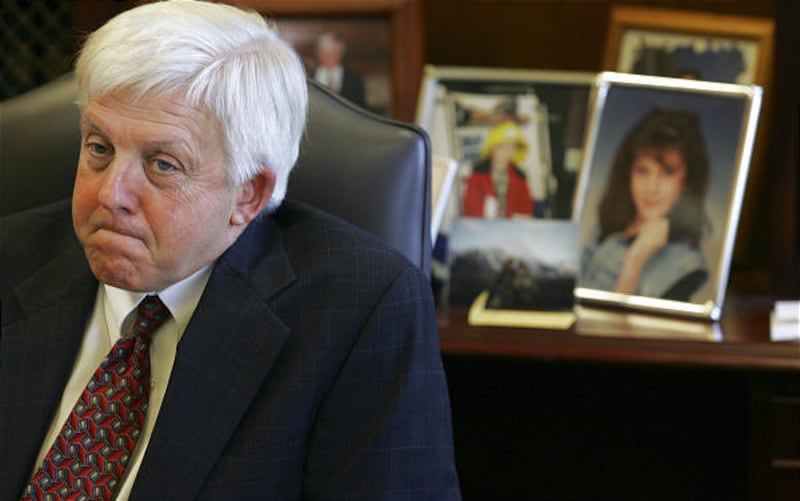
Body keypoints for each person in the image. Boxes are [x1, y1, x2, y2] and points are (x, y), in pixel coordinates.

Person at [0, 2, 460, 500]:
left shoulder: (358, 311)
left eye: (162, 165)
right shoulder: (12, 259)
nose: (111, 195)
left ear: (248, 195)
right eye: (99, 148)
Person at [581, 107, 710, 301]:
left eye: (667, 172)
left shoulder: (686, 264)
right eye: (642, 171)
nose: (652, 187)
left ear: (686, 181)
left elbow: (616, 325)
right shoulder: (608, 226)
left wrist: (636, 258)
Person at [462, 121, 535, 218]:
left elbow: (526, 210)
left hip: (512, 229)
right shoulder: (477, 175)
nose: (506, 151)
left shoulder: (520, 176)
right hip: (482, 228)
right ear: (492, 148)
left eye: (511, 147)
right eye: (502, 146)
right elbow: (470, 210)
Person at [313, 31, 366, 108]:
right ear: (318, 54)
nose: (329, 57)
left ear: (341, 55)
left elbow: (360, 108)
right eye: (325, 52)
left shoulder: (354, 79)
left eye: (334, 53)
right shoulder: (309, 77)